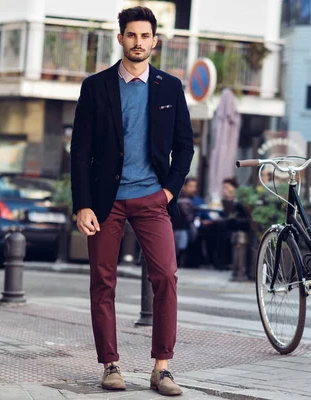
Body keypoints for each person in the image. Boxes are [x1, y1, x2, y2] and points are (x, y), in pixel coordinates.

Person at [70, 6, 193, 395]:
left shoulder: (170, 87)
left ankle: (162, 368)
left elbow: (185, 147)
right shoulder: (96, 86)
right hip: (106, 202)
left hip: (152, 198)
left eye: (145, 36)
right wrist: (83, 204)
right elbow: (80, 150)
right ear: (120, 38)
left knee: (166, 278)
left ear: (155, 41)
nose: (138, 42)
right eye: (131, 35)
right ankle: (110, 365)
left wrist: (169, 191)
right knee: (102, 282)